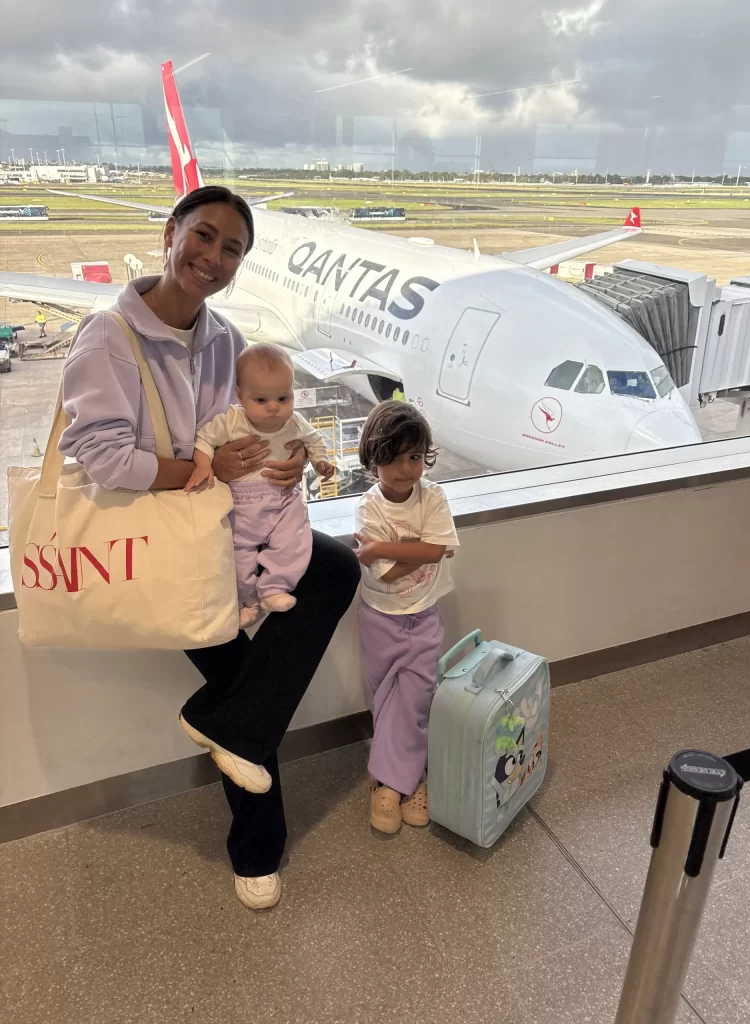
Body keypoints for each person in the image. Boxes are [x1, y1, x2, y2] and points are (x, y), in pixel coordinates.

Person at [58, 185, 359, 909]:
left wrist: (284, 463)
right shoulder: (109, 337)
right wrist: (201, 471)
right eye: (204, 236)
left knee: (336, 570)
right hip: (163, 544)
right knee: (245, 673)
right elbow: (99, 456)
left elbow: (254, 428)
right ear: (170, 233)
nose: (214, 257)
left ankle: (219, 723)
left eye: (232, 249)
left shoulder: (226, 340)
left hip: (231, 534)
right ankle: (256, 848)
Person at [354, 401, 458, 834]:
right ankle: (410, 777)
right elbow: (393, 572)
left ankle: (392, 784)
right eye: (393, 458)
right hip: (379, 616)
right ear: (373, 459)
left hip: (425, 613)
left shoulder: (432, 496)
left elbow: (436, 551)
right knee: (386, 698)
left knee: (416, 698)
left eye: (414, 457)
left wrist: (382, 548)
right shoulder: (368, 508)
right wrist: (412, 547)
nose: (406, 469)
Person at [187, 343, 335, 625]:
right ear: (240, 396)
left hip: (282, 499)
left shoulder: (296, 423)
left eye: (283, 398)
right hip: (240, 503)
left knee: (295, 538)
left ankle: (273, 588)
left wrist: (319, 461)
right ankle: (247, 601)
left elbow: (314, 440)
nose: (274, 408)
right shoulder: (231, 421)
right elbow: (204, 440)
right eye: (261, 400)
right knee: (236, 553)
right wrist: (204, 464)